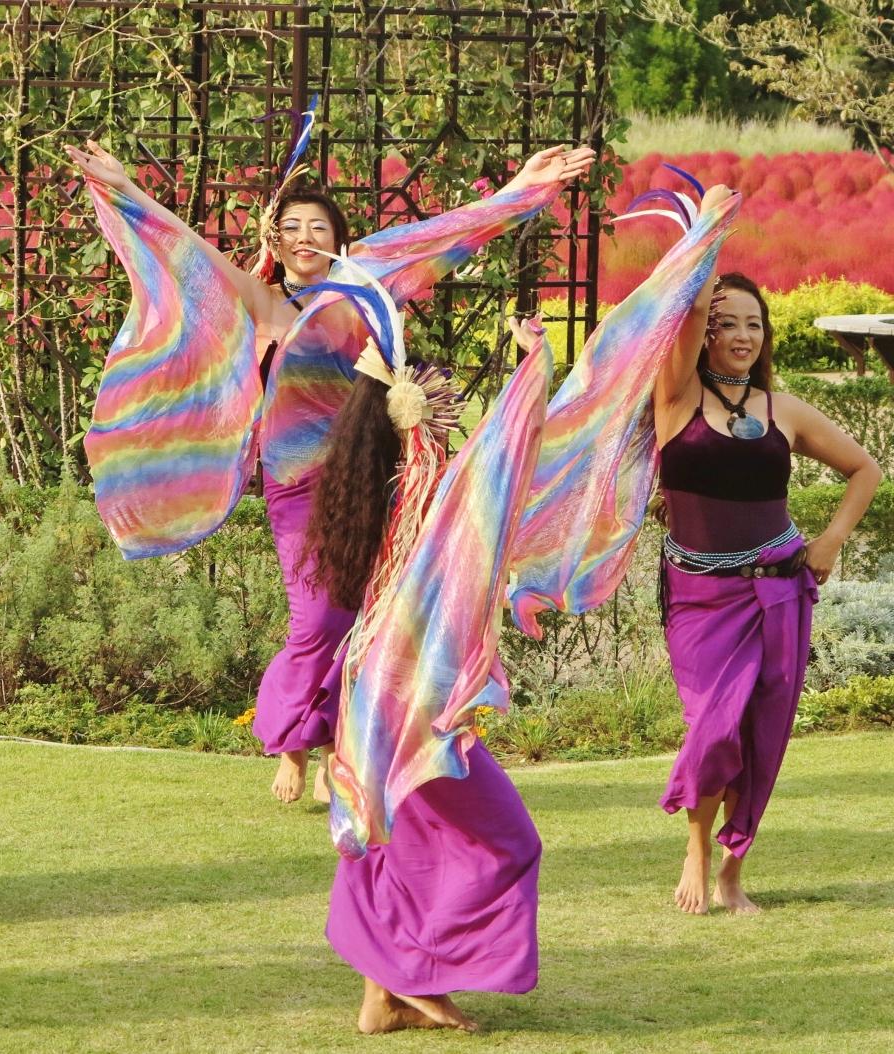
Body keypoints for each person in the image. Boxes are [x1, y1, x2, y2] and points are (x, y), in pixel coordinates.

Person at [65, 138, 593, 804]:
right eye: (291, 228)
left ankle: (339, 749)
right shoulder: (266, 304)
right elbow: (191, 256)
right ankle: (290, 740)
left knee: (369, 615)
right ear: (276, 242)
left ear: (340, 239)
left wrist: (522, 187)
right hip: (297, 486)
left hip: (373, 478)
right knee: (315, 621)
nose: (305, 238)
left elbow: (448, 235)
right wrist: (125, 188)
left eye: (318, 227)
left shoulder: (368, 284)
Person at [306, 315, 551, 1034]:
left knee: (394, 837)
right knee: (507, 840)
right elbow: (503, 458)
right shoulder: (426, 489)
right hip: (408, 696)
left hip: (374, 684)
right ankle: (409, 976)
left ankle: (381, 998)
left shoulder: (368, 487)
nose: (451, 408)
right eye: (439, 396)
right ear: (413, 411)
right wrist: (533, 370)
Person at [653, 186, 882, 915]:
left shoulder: (785, 411)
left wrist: (830, 540)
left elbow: (865, 470)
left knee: (760, 734)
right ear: (704, 334)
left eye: (754, 324)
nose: (741, 335)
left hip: (779, 589)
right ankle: (696, 847)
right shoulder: (675, 399)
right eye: (727, 323)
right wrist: (709, 236)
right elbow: (688, 309)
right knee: (713, 725)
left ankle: (732, 870)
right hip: (699, 597)